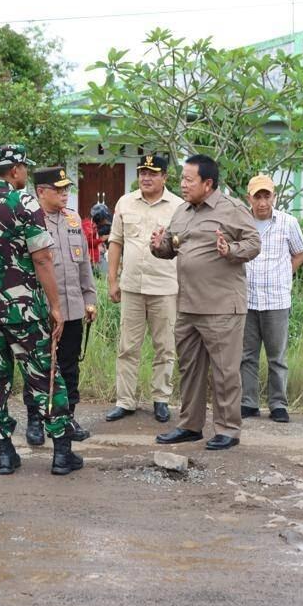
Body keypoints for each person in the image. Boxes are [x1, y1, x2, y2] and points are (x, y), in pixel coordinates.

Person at [0, 144, 82, 476]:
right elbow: (42, 257)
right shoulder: (25, 202)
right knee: (45, 377)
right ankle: (61, 454)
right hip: (25, 312)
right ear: (15, 171)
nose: (26, 173)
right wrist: (56, 306)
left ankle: (4, 453)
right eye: (24, 168)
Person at [149, 154, 260, 450]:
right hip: (187, 305)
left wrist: (230, 250)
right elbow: (170, 247)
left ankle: (227, 429)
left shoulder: (232, 209)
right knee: (190, 370)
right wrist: (158, 246)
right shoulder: (182, 211)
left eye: (189, 179)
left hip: (221, 306)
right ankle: (190, 425)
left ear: (207, 183)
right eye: (182, 179)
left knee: (225, 372)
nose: (182, 185)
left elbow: (253, 244)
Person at [104, 153, 184, 424]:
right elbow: (115, 242)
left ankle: (161, 399)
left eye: (152, 173)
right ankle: (125, 401)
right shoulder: (125, 203)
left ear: (164, 177)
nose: (146, 177)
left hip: (165, 287)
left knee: (165, 346)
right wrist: (112, 280)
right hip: (132, 287)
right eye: (142, 172)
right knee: (128, 347)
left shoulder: (179, 206)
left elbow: (184, 248)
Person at [23, 166, 98, 446]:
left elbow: (84, 265)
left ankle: (67, 417)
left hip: (73, 308)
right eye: (59, 189)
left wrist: (90, 298)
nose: (65, 193)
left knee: (69, 366)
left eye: (67, 188)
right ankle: (35, 419)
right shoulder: (30, 222)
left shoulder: (73, 219)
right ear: (41, 191)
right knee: (39, 366)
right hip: (42, 310)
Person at [240, 174, 303, 423]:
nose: (262, 202)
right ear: (249, 198)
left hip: (277, 301)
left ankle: (278, 404)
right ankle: (248, 403)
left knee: (276, 357)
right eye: (257, 196)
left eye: (266, 195)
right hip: (246, 300)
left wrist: (284, 275)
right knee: (246, 356)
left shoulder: (288, 223)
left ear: (274, 197)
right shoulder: (241, 222)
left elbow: (300, 254)